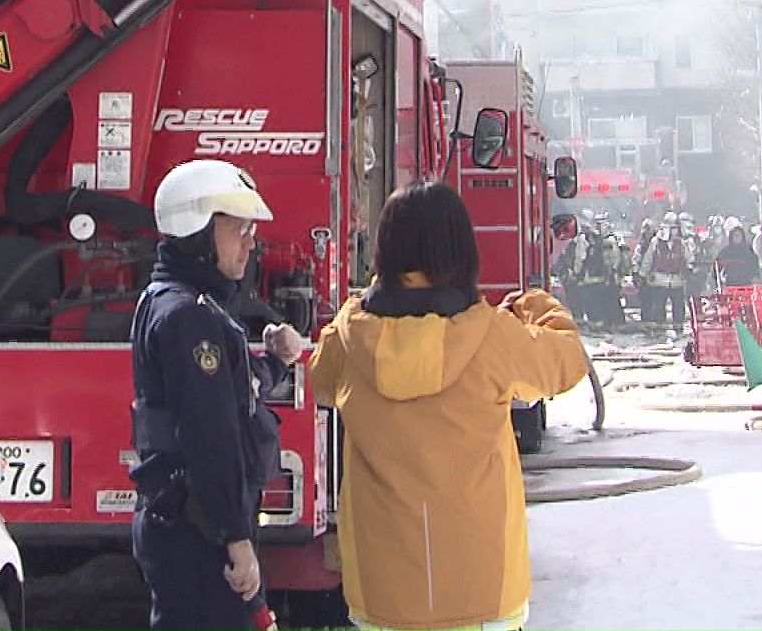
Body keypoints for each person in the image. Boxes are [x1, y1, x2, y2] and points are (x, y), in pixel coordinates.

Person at [309, 181, 589, 631]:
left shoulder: (349, 337)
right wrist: (533, 303)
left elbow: (320, 384)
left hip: (382, 593)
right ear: (461, 248)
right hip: (484, 590)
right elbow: (568, 361)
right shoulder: (493, 337)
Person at [130, 159, 305, 631]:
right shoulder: (189, 318)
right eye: (239, 228)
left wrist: (272, 364)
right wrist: (235, 538)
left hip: (188, 523)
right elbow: (210, 433)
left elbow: (226, 393)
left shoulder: (178, 304)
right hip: (197, 531)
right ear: (198, 232)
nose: (252, 241)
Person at [715, 217, 762, 288]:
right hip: (731, 283)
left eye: (739, 235)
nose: (737, 237)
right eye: (735, 235)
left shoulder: (748, 250)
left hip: (746, 283)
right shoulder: (726, 251)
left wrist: (755, 276)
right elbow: (717, 265)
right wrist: (719, 279)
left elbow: (754, 263)